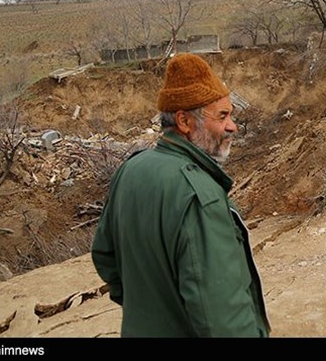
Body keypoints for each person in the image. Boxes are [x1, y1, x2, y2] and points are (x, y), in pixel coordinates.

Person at [92, 53, 270, 337]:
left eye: (231, 115)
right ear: (185, 121)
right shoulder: (200, 195)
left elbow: (104, 256)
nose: (232, 126)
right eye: (222, 116)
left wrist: (150, 310)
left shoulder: (130, 170)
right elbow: (222, 320)